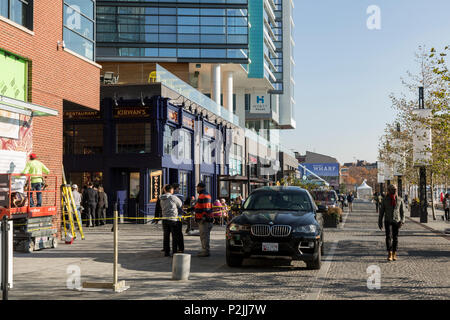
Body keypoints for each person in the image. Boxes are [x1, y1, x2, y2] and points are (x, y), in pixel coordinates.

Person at [379, 184, 405, 261]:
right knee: (388, 237)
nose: (394, 191)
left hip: (397, 221)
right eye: (393, 189)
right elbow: (381, 212)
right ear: (389, 190)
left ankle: (394, 252)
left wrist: (402, 221)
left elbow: (402, 212)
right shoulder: (385, 200)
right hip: (387, 220)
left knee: (395, 237)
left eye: (395, 189)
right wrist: (380, 222)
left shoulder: (400, 200)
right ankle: (389, 253)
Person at [160, 184, 183, 257]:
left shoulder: (161, 198)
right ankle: (174, 252)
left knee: (166, 236)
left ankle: (166, 252)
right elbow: (180, 204)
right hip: (173, 219)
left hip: (164, 219)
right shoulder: (173, 197)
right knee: (174, 236)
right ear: (171, 190)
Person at [194, 182, 213, 257]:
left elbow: (207, 208)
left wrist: (203, 218)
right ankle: (205, 250)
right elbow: (199, 206)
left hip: (204, 221)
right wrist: (191, 209)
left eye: (197, 187)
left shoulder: (204, 196)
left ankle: (205, 251)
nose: (196, 189)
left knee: (204, 236)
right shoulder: (203, 195)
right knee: (204, 236)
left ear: (201, 188)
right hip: (204, 220)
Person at [172, 183, 185, 253]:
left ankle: (175, 248)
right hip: (179, 215)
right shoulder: (181, 196)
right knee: (179, 232)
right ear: (176, 188)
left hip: (172, 216)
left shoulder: (171, 196)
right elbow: (182, 205)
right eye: (179, 188)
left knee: (174, 233)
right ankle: (181, 248)